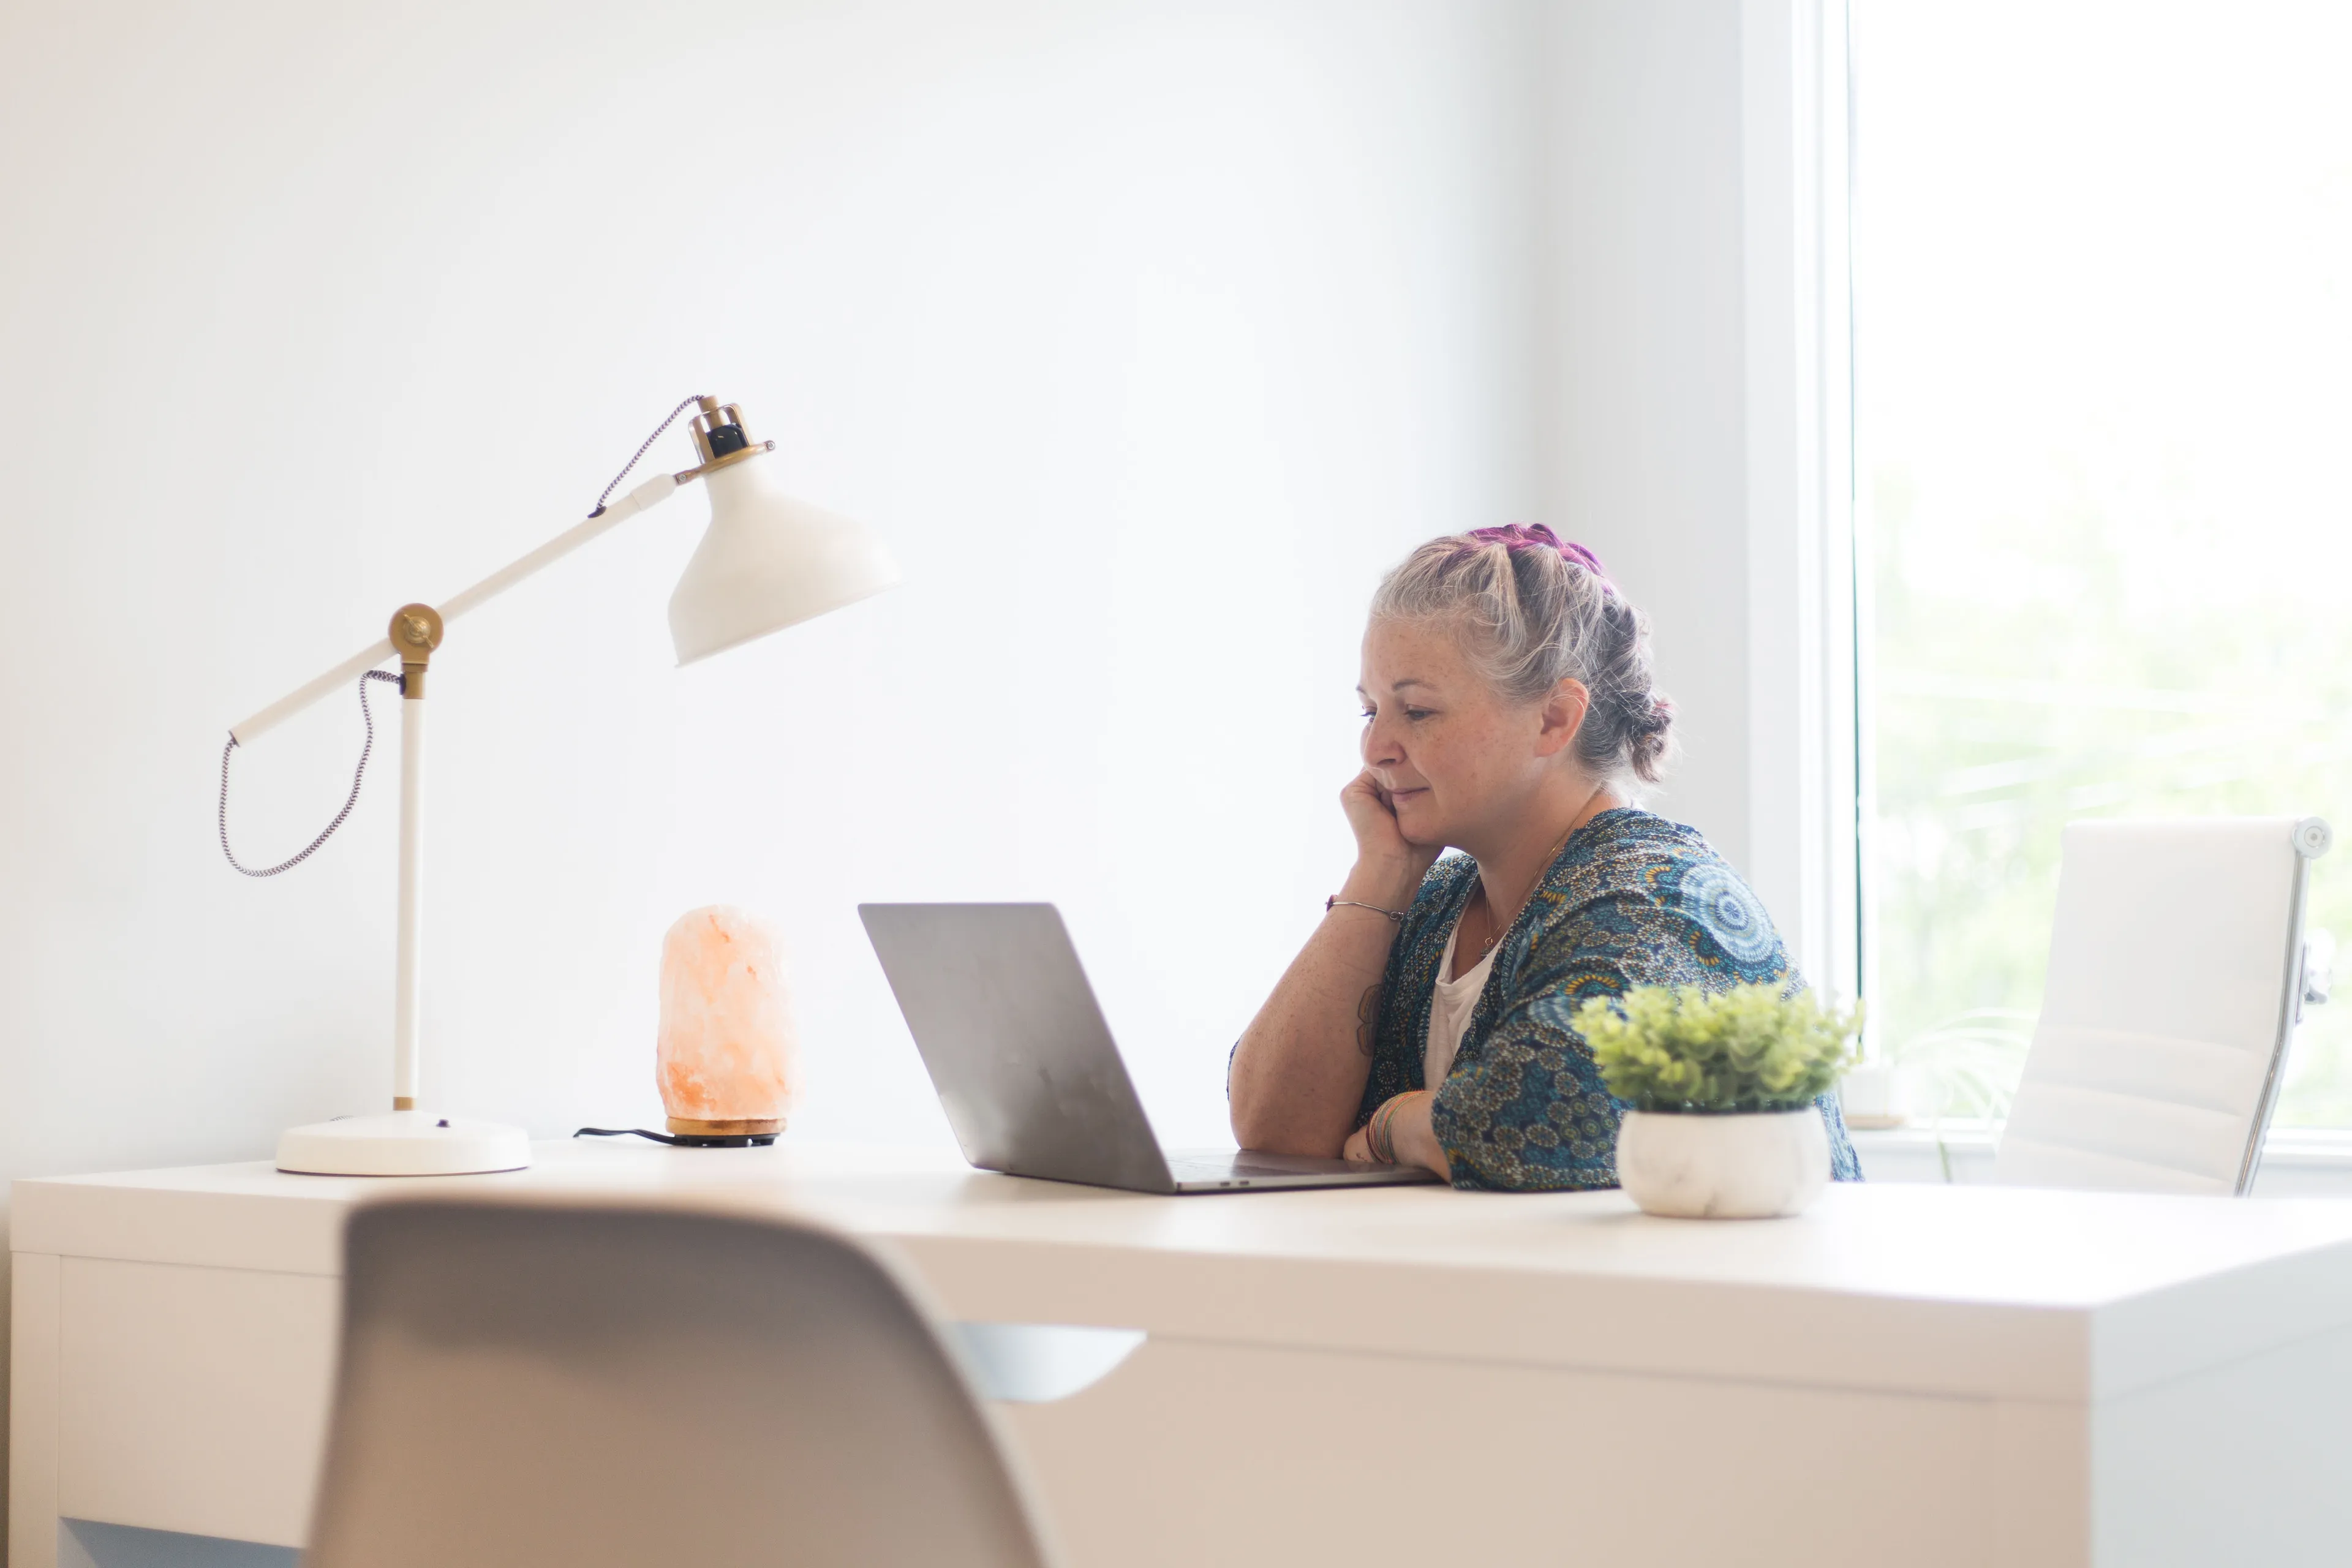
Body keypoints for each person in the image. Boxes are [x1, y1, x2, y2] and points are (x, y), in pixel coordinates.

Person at [1227, 524, 1861, 1189]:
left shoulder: (1654, 896)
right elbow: (1274, 1127)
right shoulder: (1437, 899)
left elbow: (1539, 1120)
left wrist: (1395, 1124)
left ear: (1554, 719)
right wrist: (1380, 878)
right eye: (1370, 712)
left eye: (1416, 710)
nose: (1376, 747)